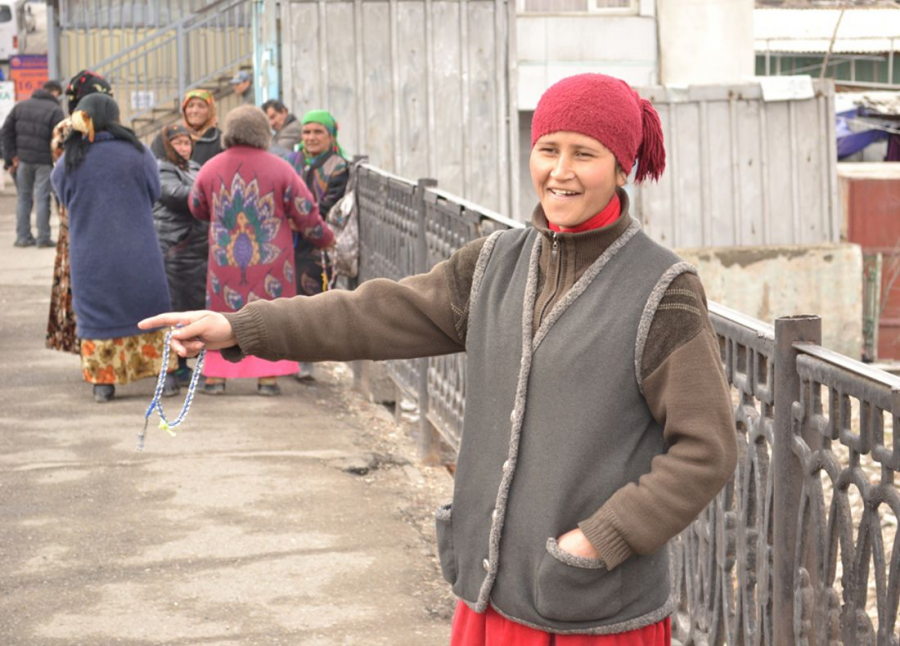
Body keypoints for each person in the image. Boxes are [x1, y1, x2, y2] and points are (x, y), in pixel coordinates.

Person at [140, 74, 737, 643]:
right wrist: (240, 326)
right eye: (547, 149)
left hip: (593, 610)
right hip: (489, 595)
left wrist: (601, 538)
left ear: (622, 166)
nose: (560, 171)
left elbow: (705, 450)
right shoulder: (496, 262)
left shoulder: (661, 289)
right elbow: (370, 315)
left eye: (585, 154)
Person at [187, 105, 334, 397]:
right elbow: (305, 212)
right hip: (271, 259)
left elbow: (196, 206)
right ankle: (267, 379)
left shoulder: (211, 167)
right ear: (263, 133)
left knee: (223, 313)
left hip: (226, 258)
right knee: (270, 313)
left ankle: (216, 379)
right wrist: (326, 238)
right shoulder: (281, 168)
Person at [51, 94, 178, 403]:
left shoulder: (71, 158)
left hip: (91, 253)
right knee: (150, 307)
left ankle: (103, 384)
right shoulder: (138, 151)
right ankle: (166, 378)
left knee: (97, 310)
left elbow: (62, 194)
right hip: (140, 250)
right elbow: (154, 192)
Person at [45, 70, 113, 354]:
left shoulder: (109, 129)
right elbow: (63, 173)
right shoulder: (67, 129)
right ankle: (85, 344)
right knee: (81, 281)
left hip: (94, 215)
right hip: (79, 218)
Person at [285, 109, 350, 379]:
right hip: (287, 241)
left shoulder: (338, 166)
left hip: (316, 244)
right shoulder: (291, 161)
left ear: (330, 135)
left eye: (317, 132)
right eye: (306, 132)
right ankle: (285, 356)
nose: (311, 137)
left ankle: (304, 361)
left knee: (309, 298)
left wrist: (301, 221)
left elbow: (330, 204)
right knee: (285, 298)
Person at [152, 123, 207, 385]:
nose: (184, 148)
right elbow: (175, 195)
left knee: (190, 309)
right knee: (173, 310)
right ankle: (170, 370)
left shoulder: (194, 167)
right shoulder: (161, 168)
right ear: (166, 146)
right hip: (173, 246)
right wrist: (211, 192)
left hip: (196, 247)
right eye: (178, 143)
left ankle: (183, 364)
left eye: (187, 143)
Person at [2, 80, 65, 248]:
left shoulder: (21, 106)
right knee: (42, 198)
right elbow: (61, 138)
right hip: (44, 162)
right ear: (54, 92)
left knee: (23, 197)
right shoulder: (55, 110)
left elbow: (6, 131)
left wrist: (11, 157)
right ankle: (43, 238)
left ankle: (22, 237)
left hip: (22, 161)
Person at [151, 89, 223, 167]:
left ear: (210, 110)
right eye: (190, 106)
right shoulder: (170, 135)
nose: (195, 111)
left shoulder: (220, 140)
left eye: (201, 106)